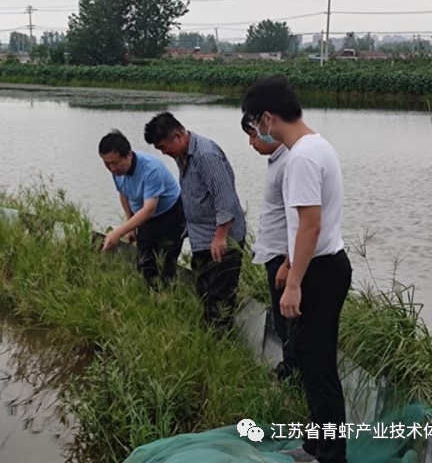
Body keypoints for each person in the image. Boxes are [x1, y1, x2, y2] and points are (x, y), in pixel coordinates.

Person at [242, 75, 352, 463]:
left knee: (318, 367)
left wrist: (295, 284)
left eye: (254, 124)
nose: (255, 131)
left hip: (320, 272)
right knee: (309, 361)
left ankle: (332, 455)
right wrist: (289, 263)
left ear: (268, 118)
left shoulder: (302, 157)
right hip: (320, 264)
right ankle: (315, 446)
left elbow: (310, 225)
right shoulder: (316, 146)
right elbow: (304, 227)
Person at [143, 112, 246, 334]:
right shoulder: (183, 156)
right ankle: (211, 337)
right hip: (201, 238)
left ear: (178, 136)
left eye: (163, 147)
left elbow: (226, 199)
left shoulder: (205, 155)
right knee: (204, 290)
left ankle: (219, 342)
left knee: (219, 296)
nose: (163, 153)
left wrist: (220, 237)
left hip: (222, 240)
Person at [240, 116, 297, 381]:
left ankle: (295, 375)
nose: (252, 143)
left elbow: (298, 220)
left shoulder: (289, 163)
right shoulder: (277, 161)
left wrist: (288, 263)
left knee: (290, 323)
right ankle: (289, 370)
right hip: (275, 256)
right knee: (282, 320)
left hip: (283, 260)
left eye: (254, 135)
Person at [99, 129, 186, 288]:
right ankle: (152, 298)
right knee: (146, 262)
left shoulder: (151, 169)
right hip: (143, 216)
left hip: (170, 214)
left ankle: (168, 299)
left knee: (166, 262)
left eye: (115, 163)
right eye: (107, 163)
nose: (112, 168)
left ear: (129, 155)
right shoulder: (116, 169)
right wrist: (130, 223)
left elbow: (149, 210)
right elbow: (123, 192)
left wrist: (119, 232)